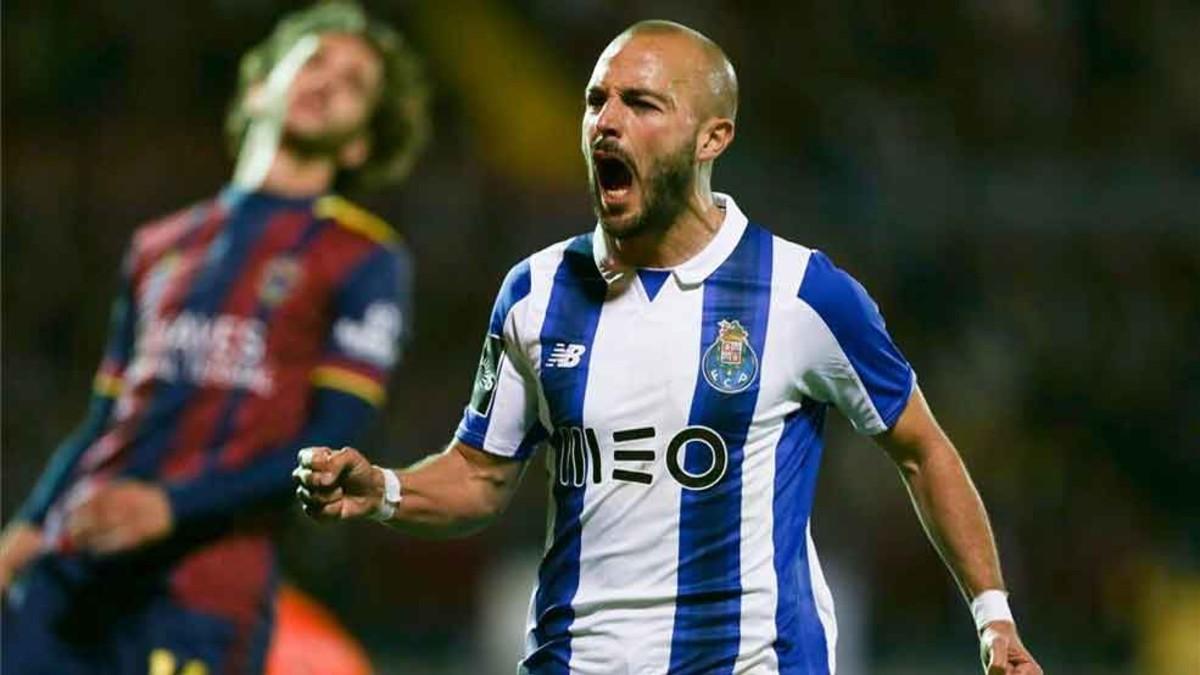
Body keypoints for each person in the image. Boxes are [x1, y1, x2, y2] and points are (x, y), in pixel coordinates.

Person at [294, 20, 1042, 675]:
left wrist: (993, 617)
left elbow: (922, 448)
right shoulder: (535, 292)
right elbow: (483, 476)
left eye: (641, 104)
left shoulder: (800, 291)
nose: (605, 123)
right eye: (596, 101)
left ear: (712, 136)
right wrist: (385, 489)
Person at [0, 2, 427, 673]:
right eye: (314, 60)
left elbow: (336, 444)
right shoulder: (158, 245)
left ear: (359, 145)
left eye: (353, 84)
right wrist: (26, 524)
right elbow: (106, 416)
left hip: (204, 596)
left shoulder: (363, 258)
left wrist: (172, 506)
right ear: (260, 85)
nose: (327, 82)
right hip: (72, 572)